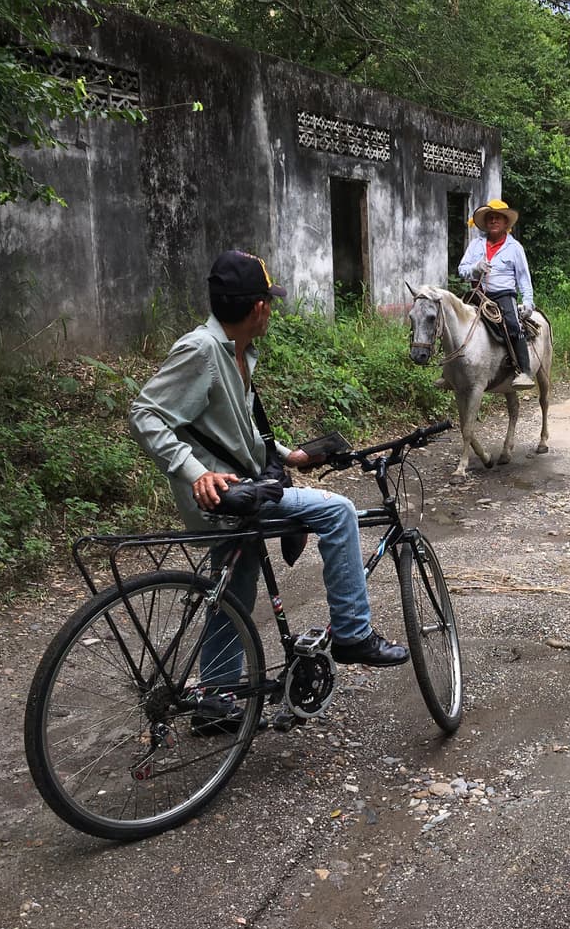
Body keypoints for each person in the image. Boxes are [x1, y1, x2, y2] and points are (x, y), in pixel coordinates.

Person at [129, 249, 408, 685]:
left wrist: (288, 454)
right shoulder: (202, 350)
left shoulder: (235, 352)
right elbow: (145, 414)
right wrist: (196, 472)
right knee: (338, 511)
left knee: (234, 594)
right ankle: (353, 634)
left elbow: (233, 433)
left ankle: (217, 699)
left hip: (239, 490)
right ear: (258, 307)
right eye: (270, 303)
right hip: (223, 496)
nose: (272, 312)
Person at [458, 199, 536, 389]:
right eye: (490, 218)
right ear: (486, 223)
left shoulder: (515, 248)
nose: (493, 221)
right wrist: (475, 268)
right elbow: (462, 270)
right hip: (478, 295)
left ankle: (524, 371)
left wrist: (528, 301)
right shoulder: (475, 245)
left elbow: (523, 278)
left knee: (513, 325)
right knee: (455, 321)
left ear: (505, 222)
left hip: (503, 295)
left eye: (497, 218)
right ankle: (451, 371)